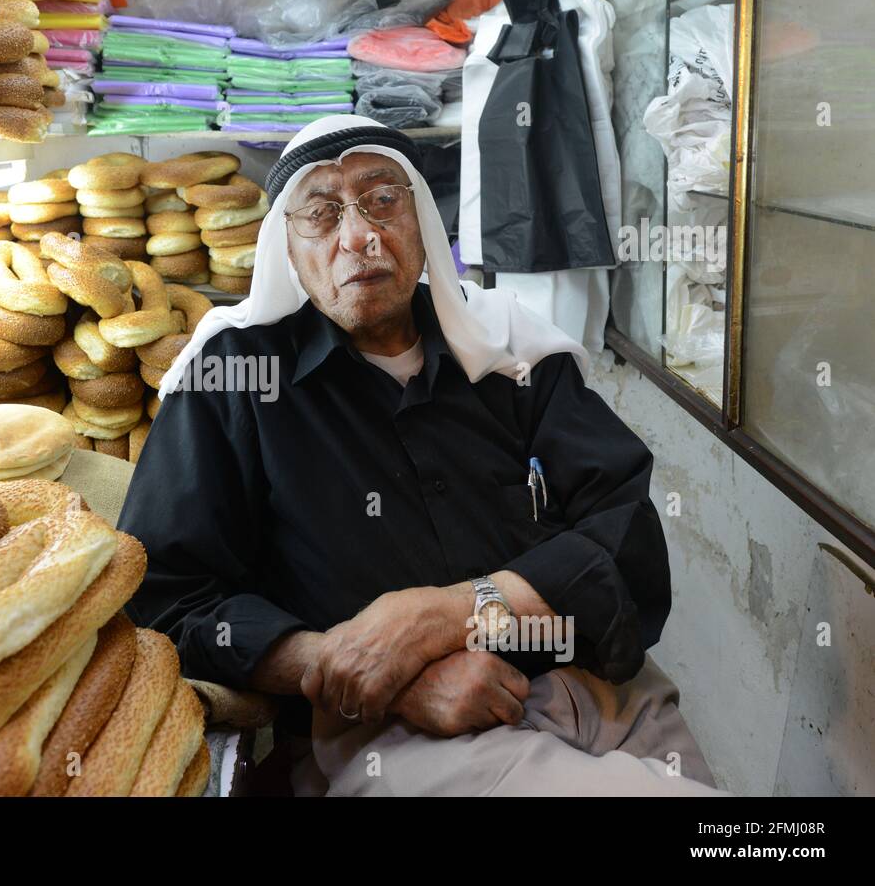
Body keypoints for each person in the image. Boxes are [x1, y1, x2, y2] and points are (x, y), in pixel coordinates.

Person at [118, 115, 723, 796]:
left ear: (421, 220)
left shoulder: (511, 350)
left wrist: (450, 613)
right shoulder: (235, 379)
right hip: (390, 735)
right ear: (286, 247)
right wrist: (366, 670)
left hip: (604, 691)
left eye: (382, 199)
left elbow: (626, 532)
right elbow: (165, 597)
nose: (360, 235)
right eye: (320, 213)